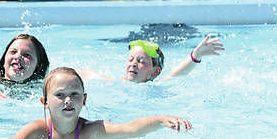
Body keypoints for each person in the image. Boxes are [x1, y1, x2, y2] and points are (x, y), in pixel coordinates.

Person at [0, 67, 192, 139]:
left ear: (84, 100)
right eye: (60, 95)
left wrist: (160, 120)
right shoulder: (38, 131)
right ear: (44, 102)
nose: (68, 100)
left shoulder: (92, 131)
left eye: (74, 95)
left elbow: (131, 129)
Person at [77, 35, 224, 84]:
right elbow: (86, 74)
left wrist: (196, 55)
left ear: (155, 71)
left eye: (141, 61)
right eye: (131, 59)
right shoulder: (113, 82)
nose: (133, 64)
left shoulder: (154, 88)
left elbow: (176, 75)